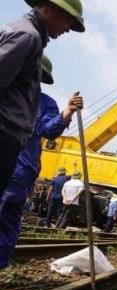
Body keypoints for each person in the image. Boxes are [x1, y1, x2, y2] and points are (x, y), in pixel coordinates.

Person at [0, 55, 83, 268]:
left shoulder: (43, 103)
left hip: (18, 170)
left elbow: (49, 129)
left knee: (6, 218)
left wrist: (67, 112)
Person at [0, 0, 85, 198]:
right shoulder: (27, 36)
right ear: (52, 9)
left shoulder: (28, 36)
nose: (68, 29)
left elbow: (47, 129)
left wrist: (67, 112)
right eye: (68, 21)